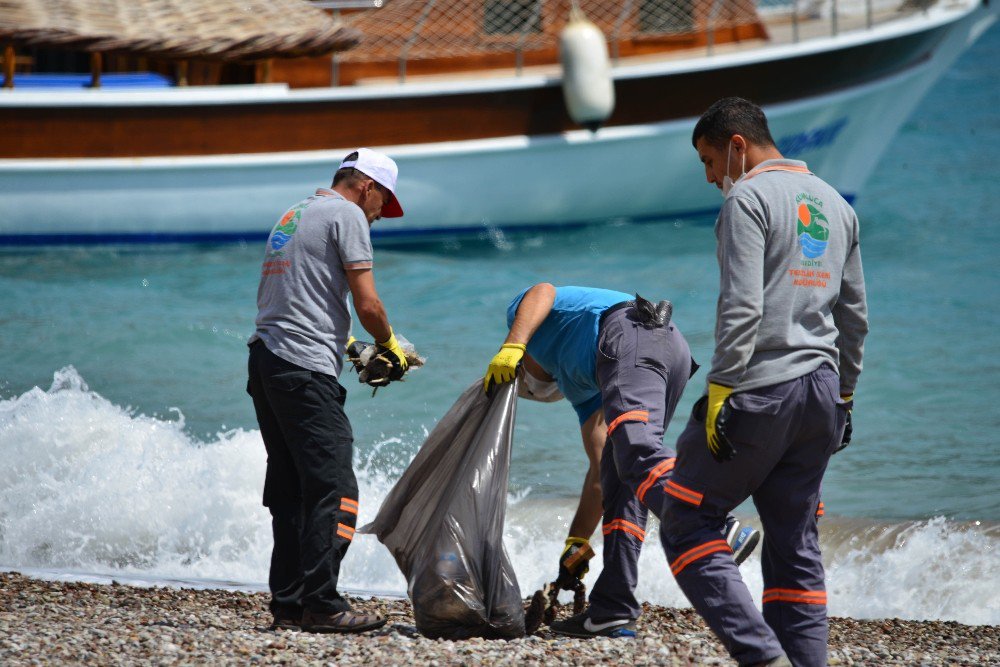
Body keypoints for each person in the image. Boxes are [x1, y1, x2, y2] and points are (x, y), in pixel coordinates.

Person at [659, 97, 868, 666]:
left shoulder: (747, 199)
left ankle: (763, 658)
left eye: (707, 160)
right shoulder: (835, 204)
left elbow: (743, 308)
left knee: (686, 519)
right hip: (823, 392)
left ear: (736, 146)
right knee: (794, 541)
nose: (708, 177)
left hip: (761, 389)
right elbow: (855, 318)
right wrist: (845, 396)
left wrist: (723, 385)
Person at [483, 284, 760, 638]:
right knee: (622, 478)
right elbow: (599, 472)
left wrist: (512, 345)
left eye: (522, 379)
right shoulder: (580, 388)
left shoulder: (523, 321)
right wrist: (576, 542)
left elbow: (542, 290)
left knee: (636, 451)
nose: (532, 387)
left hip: (631, 331)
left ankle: (712, 523)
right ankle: (612, 609)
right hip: (662, 350)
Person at [246, 148, 412, 634]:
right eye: (384, 201)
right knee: (335, 489)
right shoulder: (347, 215)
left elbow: (298, 300)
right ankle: (323, 604)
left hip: (267, 360)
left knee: (292, 490)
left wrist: (349, 346)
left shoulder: (296, 213)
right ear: (366, 185)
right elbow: (369, 302)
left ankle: (290, 604)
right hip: (303, 368)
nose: (381, 214)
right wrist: (389, 345)